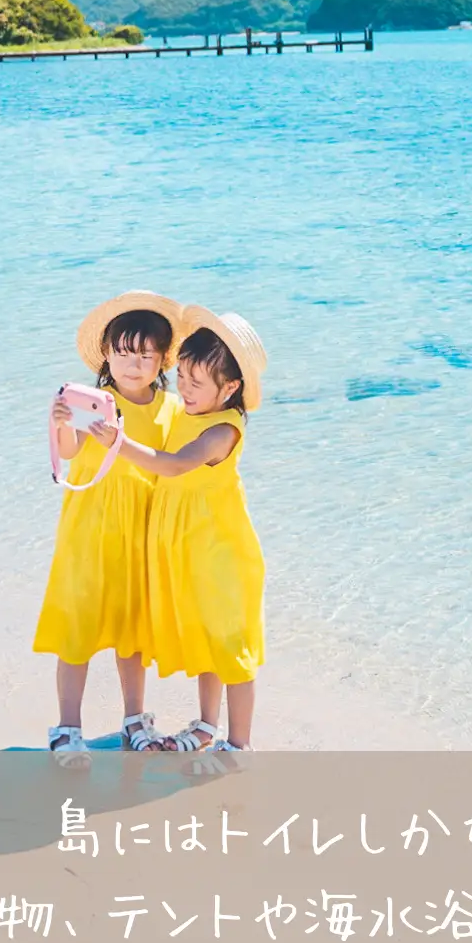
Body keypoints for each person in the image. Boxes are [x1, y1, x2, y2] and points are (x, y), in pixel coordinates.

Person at [33, 290, 184, 768]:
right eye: (123, 352)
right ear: (107, 355)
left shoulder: (172, 408)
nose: (133, 364)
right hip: (90, 529)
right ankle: (67, 727)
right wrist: (60, 423)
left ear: (162, 360)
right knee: (78, 625)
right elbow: (71, 453)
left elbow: (170, 468)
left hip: (140, 529)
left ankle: (134, 719)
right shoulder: (95, 401)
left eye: (145, 355)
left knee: (133, 631)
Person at [116, 307, 267, 753]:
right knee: (208, 641)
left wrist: (118, 443)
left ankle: (238, 745)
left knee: (230, 649)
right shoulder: (189, 410)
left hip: (221, 553)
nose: (184, 389)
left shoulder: (222, 429)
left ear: (231, 387)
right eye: (180, 377)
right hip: (191, 550)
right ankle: (206, 725)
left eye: (196, 383)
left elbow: (177, 464)